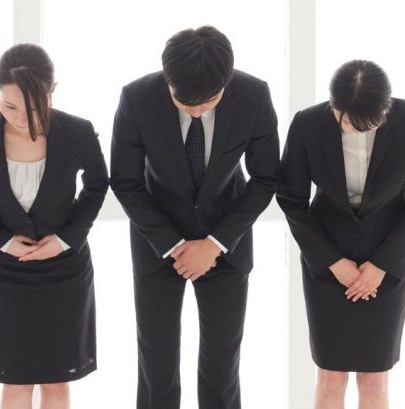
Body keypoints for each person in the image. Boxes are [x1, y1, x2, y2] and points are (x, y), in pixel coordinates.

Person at [110, 26, 280, 409]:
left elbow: (266, 177)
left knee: (222, 366)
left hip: (226, 243)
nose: (197, 111)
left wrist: (215, 244)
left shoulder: (253, 95)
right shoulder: (137, 98)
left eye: (208, 102)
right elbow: (125, 181)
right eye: (185, 103)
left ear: (226, 82)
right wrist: (172, 245)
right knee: (156, 364)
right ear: (167, 80)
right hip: (157, 243)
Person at [276, 60, 405, 408]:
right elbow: (291, 199)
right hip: (326, 261)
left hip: (387, 261)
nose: (355, 130)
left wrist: (382, 265)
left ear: (386, 108)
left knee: (374, 379)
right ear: (333, 106)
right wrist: (332, 261)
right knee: (330, 378)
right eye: (348, 122)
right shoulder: (307, 124)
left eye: (367, 124)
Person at [0, 43, 109, 409]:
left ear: (52, 90)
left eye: (32, 108)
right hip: (8, 271)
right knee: (14, 383)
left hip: (65, 270)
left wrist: (66, 239)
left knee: (57, 383)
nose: (21, 119)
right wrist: (1, 242)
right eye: (9, 106)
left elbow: (97, 186)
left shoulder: (77, 131)